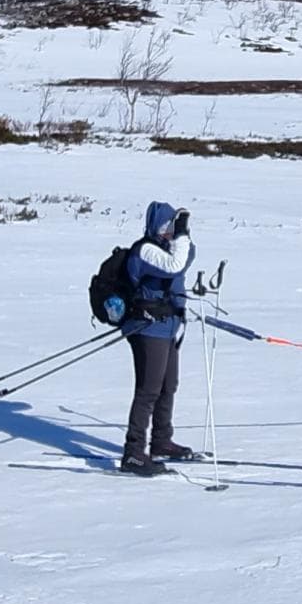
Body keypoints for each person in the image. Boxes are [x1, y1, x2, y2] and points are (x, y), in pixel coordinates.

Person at [118, 200, 201, 475]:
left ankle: (161, 440)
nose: (170, 231)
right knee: (148, 390)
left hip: (168, 327)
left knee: (168, 385)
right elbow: (175, 266)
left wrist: (183, 235)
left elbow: (187, 257)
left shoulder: (169, 249)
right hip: (147, 329)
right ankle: (133, 452)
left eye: (172, 226)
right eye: (167, 226)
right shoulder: (145, 251)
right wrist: (181, 235)